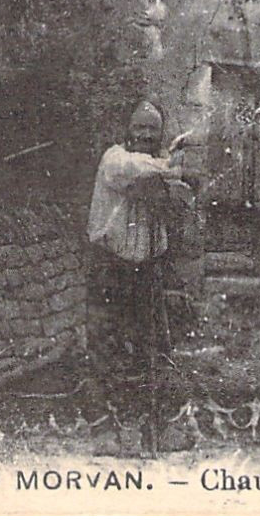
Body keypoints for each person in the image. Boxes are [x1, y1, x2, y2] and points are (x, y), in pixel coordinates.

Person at [86, 99, 192, 377]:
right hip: (112, 264)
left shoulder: (156, 166)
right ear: (127, 130)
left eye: (153, 129)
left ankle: (148, 388)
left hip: (147, 265)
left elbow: (177, 203)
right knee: (110, 341)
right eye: (139, 127)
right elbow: (137, 169)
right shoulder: (116, 159)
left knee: (150, 341)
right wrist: (171, 165)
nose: (145, 135)